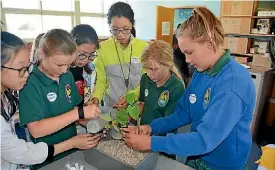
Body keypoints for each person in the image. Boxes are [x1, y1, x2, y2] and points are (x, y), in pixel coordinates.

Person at [122, 7, 255, 170]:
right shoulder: (202, 70)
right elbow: (183, 113)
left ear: (209, 41)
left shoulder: (233, 84)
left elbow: (204, 140)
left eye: (190, 52)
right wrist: (151, 128)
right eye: (184, 53)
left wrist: (151, 142)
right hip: (197, 156)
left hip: (223, 164)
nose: (187, 60)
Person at [1, 31, 99, 170]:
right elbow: (36, 130)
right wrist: (78, 114)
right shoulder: (29, 83)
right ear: (41, 54)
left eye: (69, 65)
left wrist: (88, 121)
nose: (65, 70)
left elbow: (73, 111)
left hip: (72, 150)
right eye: (59, 65)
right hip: (47, 159)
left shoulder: (67, 76)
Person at [90, 2, 147, 109]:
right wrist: (96, 98)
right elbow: (101, 80)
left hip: (138, 107)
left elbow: (146, 79)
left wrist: (132, 96)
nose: (120, 35)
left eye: (125, 29)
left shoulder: (144, 47)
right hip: (112, 107)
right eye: (115, 30)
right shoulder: (102, 48)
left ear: (132, 24)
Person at [139, 40, 185, 126]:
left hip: (162, 137)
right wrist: (128, 114)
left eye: (154, 69)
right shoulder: (145, 79)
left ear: (168, 65)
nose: (149, 74)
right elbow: (142, 104)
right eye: (147, 68)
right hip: (143, 131)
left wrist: (148, 131)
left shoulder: (176, 87)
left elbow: (170, 122)